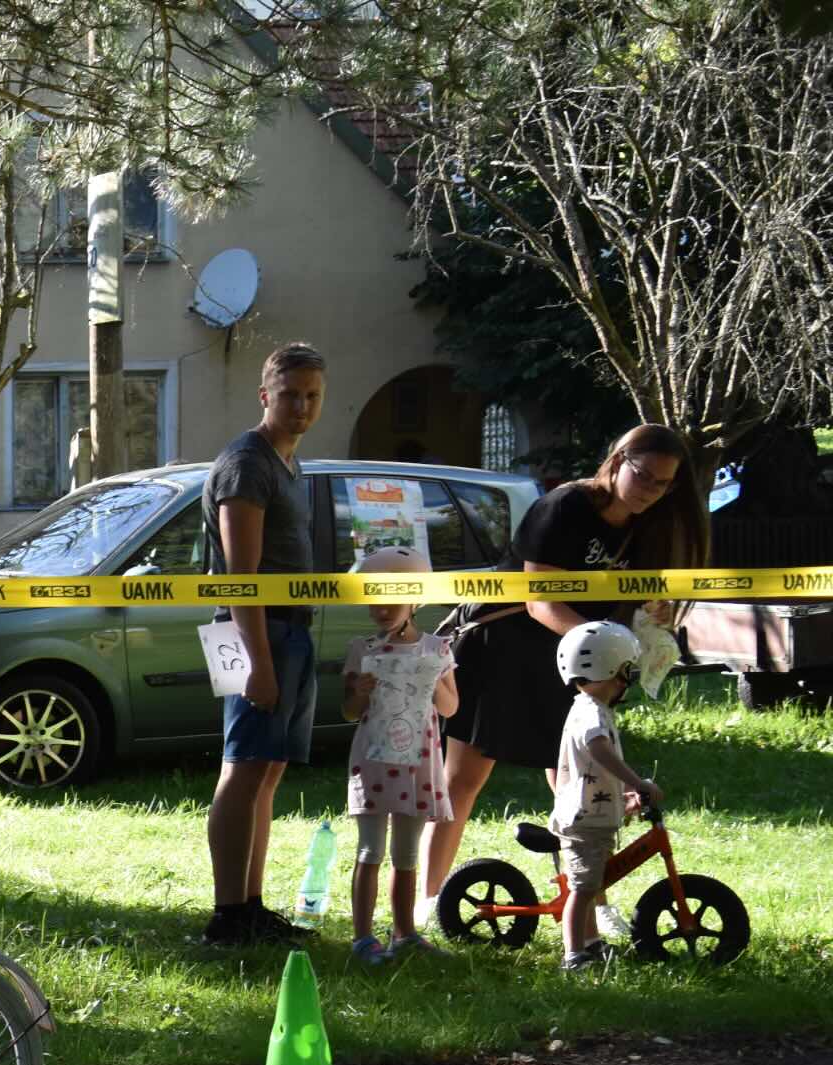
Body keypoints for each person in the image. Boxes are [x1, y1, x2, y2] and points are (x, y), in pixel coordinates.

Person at [421, 423, 709, 934]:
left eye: (663, 483)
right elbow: (540, 600)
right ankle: (427, 900)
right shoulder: (563, 506)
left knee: (584, 789)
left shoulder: (648, 525)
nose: (650, 490)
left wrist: (653, 609)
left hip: (578, 663)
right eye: (643, 475)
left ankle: (591, 903)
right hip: (505, 647)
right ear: (617, 461)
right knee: (462, 780)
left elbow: (632, 594)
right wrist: (602, 644)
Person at [201, 342, 326, 946]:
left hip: (289, 628)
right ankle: (228, 915)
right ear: (265, 396)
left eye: (312, 396)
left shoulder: (289, 463)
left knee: (267, 771)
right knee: (243, 767)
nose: (301, 406)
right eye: (290, 395)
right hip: (249, 631)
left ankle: (250, 905)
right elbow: (239, 576)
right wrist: (257, 662)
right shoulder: (246, 464)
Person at [338, 547, 458, 963]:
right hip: (374, 761)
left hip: (418, 763)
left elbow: (450, 708)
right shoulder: (362, 648)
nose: (381, 610)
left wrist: (433, 678)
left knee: (406, 854)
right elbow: (349, 712)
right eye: (374, 601)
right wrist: (357, 692)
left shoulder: (437, 649)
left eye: (390, 600)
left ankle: (404, 932)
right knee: (370, 849)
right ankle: (362, 937)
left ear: (414, 599)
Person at [549, 621, 661, 972]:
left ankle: (592, 943)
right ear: (613, 669)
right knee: (582, 889)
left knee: (591, 883)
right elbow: (598, 750)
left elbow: (598, 765)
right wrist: (637, 782)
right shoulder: (590, 713)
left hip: (592, 816)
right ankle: (573, 955)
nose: (627, 679)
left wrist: (625, 793)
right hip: (583, 820)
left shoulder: (593, 709)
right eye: (627, 670)